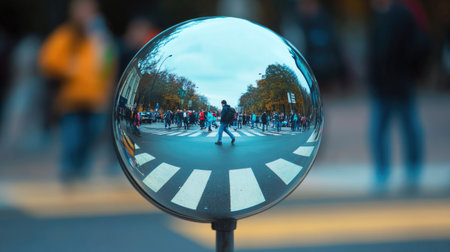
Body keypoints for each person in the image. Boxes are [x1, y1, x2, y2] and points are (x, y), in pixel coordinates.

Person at [39, 0, 116, 183]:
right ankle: (69, 172)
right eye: (80, 11)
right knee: (72, 139)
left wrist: (107, 90)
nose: (84, 15)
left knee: (91, 139)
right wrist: (69, 69)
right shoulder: (66, 35)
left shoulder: (100, 38)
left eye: (88, 11)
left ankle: (82, 173)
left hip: (96, 99)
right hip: (72, 100)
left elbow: (108, 65)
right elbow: (47, 61)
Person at [368, 0, 427, 194]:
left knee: (409, 128)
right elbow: (374, 53)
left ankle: (412, 170)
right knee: (378, 131)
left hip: (401, 85)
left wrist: (411, 74)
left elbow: (418, 46)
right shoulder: (377, 16)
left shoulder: (403, 14)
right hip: (383, 86)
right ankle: (382, 172)